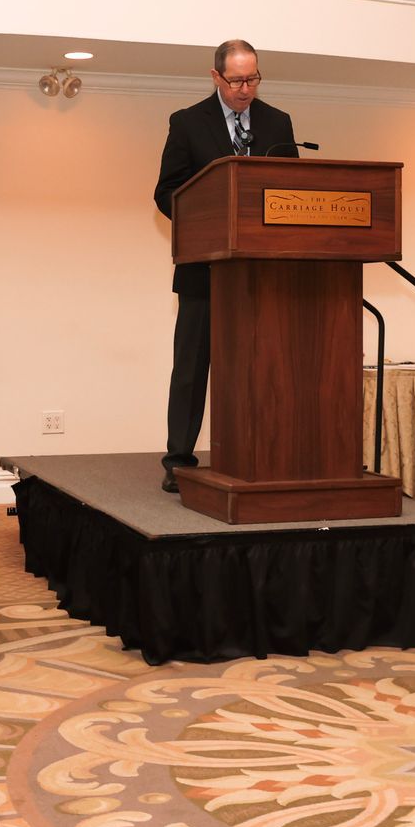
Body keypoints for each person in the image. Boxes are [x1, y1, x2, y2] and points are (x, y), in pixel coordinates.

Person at [152, 39, 297, 492]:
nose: (245, 88)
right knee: (192, 368)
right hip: (205, 270)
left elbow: (289, 192)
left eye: (253, 78)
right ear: (216, 77)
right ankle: (178, 460)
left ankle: (259, 453)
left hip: (261, 271)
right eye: (236, 80)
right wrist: (210, 222)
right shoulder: (188, 123)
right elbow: (167, 192)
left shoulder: (278, 122)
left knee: (262, 366)